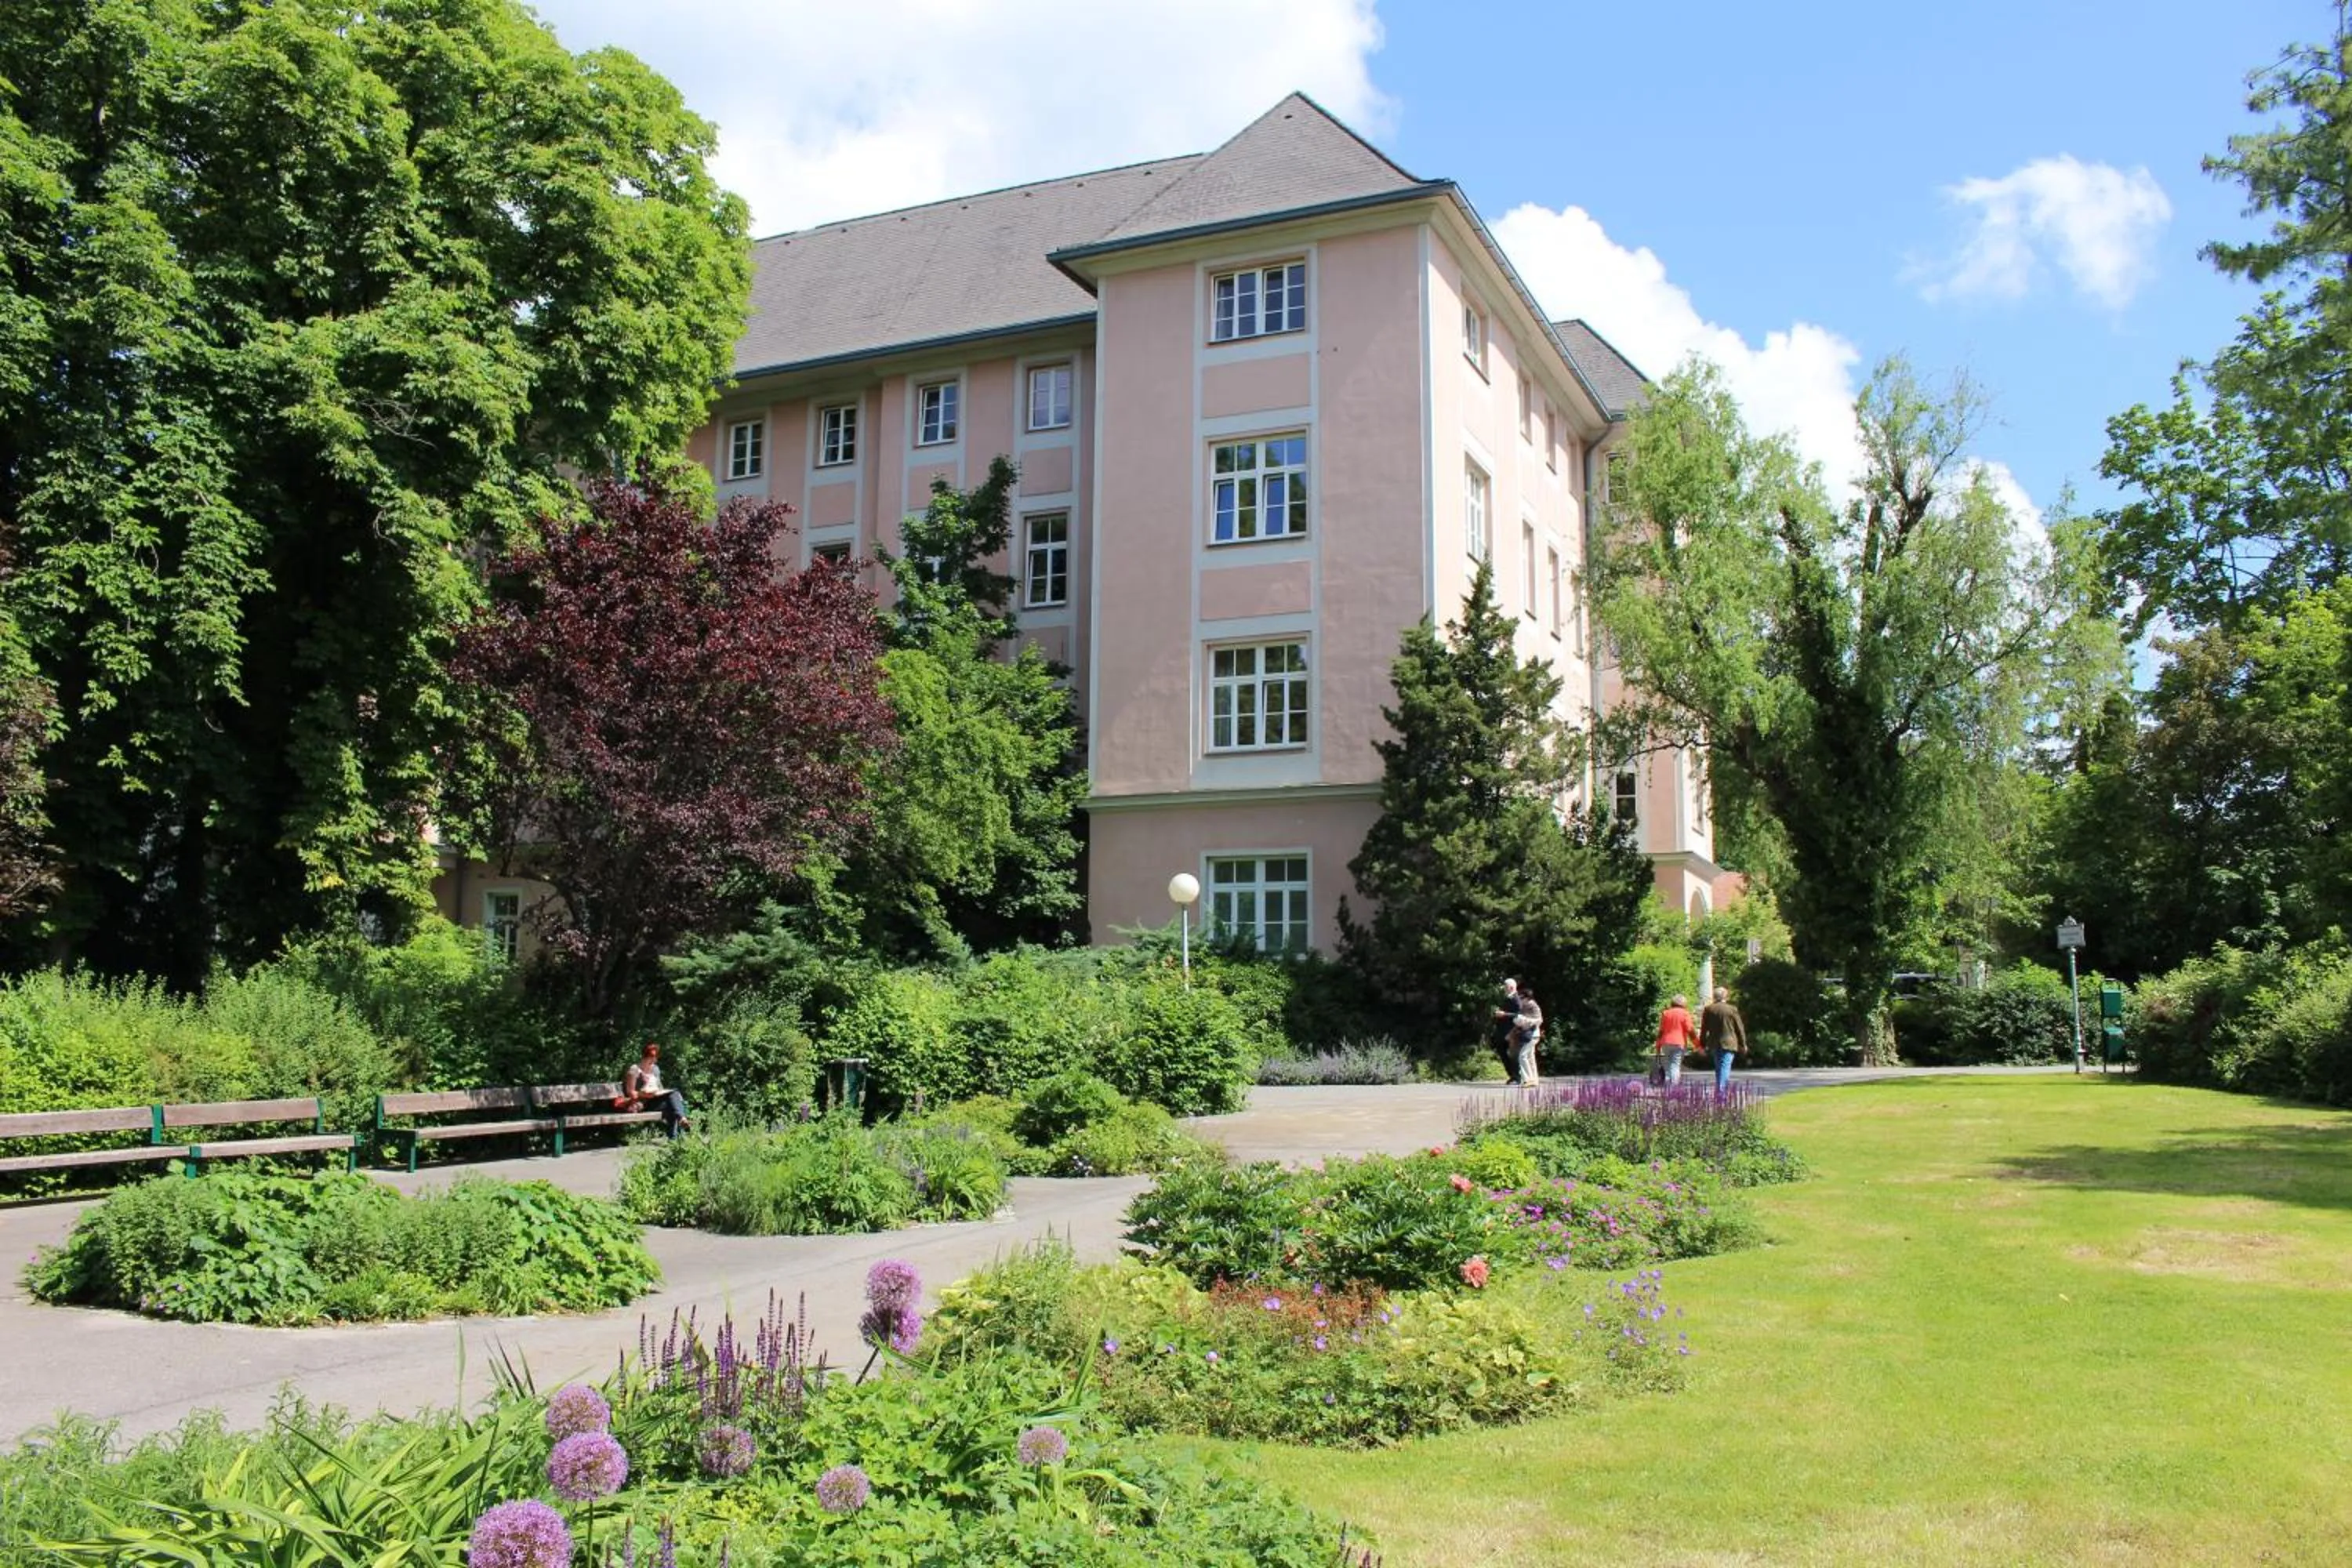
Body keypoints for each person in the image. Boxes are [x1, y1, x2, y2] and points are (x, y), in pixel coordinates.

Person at [624, 1042, 691, 1138]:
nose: (654, 1060)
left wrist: (659, 1092)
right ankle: (675, 1136)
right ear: (645, 1056)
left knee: (673, 1097)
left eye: (655, 1057)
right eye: (651, 1057)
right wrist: (644, 1094)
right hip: (643, 1103)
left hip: (655, 1100)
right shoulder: (635, 1069)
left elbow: (660, 1088)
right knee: (673, 1105)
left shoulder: (655, 1069)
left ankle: (681, 1122)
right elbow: (630, 1092)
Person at [1700, 985, 1748, 1094]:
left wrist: (1702, 1045)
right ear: (1725, 996)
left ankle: (1720, 1090)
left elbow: (1704, 1029)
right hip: (1729, 1042)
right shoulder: (1732, 1009)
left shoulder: (1709, 1009)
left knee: (1719, 1068)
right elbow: (1739, 1028)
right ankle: (1721, 1093)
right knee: (1725, 1067)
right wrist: (1743, 1044)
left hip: (1714, 1043)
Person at [1653, 994, 1697, 1086]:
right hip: (1679, 1043)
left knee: (1669, 1064)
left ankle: (1667, 1084)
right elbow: (1690, 1030)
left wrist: (1658, 1044)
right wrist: (1697, 1044)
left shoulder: (1666, 1013)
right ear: (1684, 1004)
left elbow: (1661, 1030)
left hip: (1666, 1042)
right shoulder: (1685, 1014)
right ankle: (1674, 1087)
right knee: (1675, 1065)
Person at [1491, 978, 1523, 1084]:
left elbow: (1519, 1014)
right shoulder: (1507, 998)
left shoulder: (1516, 999)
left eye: (1505, 987)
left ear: (1511, 987)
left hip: (1511, 1031)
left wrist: (1504, 1014)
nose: (1504, 989)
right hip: (1503, 1031)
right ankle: (1512, 1075)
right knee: (1502, 1052)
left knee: (1512, 1054)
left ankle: (1517, 1077)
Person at [1513, 984, 1545, 1090]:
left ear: (1527, 998)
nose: (1520, 1000)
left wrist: (1526, 1021)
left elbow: (1539, 1020)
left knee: (1522, 1056)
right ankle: (1534, 1080)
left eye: (1521, 998)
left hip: (1532, 1035)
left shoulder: (1533, 1005)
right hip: (1529, 1034)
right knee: (1530, 1058)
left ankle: (1528, 1079)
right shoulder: (1524, 1007)